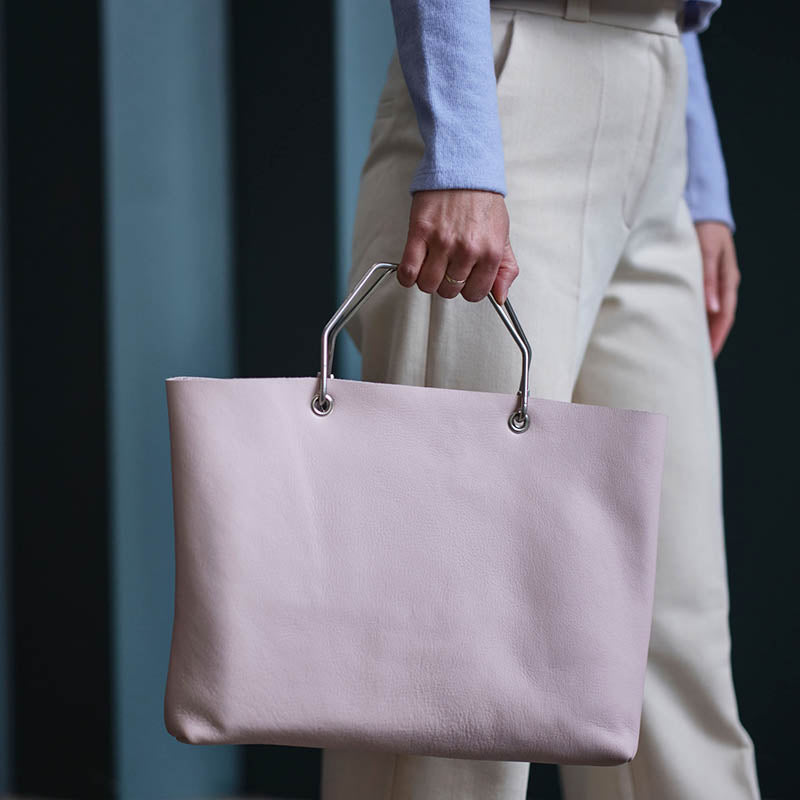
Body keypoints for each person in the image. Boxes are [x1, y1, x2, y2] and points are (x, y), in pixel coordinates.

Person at [320, 0, 761, 797]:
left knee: (673, 622)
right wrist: (460, 148)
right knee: (459, 637)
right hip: (503, 87)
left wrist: (701, 182)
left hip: (658, 92)